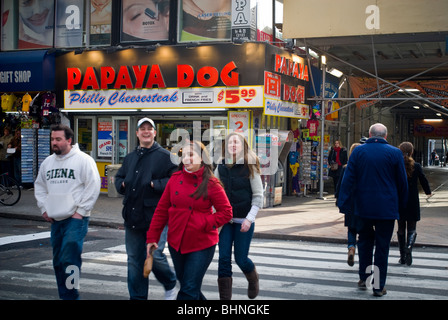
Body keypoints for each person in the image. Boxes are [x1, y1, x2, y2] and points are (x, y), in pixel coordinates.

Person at [146, 140, 233, 300]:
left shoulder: (212, 183)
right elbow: (161, 211)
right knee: (189, 287)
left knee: (188, 291)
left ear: (202, 158)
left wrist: (204, 223)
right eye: (183, 155)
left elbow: (226, 212)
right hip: (176, 243)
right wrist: (152, 238)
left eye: (191, 155)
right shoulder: (174, 179)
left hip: (201, 243)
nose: (186, 159)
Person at [337, 123, 408, 297]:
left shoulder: (359, 152)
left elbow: (348, 180)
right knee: (382, 247)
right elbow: (402, 182)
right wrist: (402, 206)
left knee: (365, 243)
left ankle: (363, 278)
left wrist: (344, 204)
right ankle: (378, 286)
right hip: (387, 209)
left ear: (369, 134)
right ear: (386, 136)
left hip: (363, 208)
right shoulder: (395, 153)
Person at [34, 124, 101, 300]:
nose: (54, 143)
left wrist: (81, 212)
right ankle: (65, 295)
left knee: (69, 259)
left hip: (75, 219)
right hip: (56, 219)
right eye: (52, 139)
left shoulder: (83, 160)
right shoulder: (48, 163)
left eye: (58, 139)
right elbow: (40, 186)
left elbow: (93, 186)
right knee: (58, 262)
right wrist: (44, 209)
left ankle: (72, 296)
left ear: (69, 140)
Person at [114, 117, 178, 300]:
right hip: (132, 218)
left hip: (155, 218)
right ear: (137, 133)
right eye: (142, 129)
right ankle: (138, 297)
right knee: (134, 262)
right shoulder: (130, 157)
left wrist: (154, 184)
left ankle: (170, 282)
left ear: (155, 133)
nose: (146, 131)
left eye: (149, 128)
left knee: (155, 256)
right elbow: (118, 178)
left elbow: (175, 180)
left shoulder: (166, 157)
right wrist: (122, 185)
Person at [214, 132, 263, 300]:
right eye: (230, 142)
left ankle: (253, 278)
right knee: (223, 259)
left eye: (237, 142)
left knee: (241, 259)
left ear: (243, 146)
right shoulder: (220, 165)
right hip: (225, 221)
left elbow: (258, 196)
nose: (233, 145)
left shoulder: (250, 165)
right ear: (226, 146)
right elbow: (213, 191)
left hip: (244, 220)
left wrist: (249, 219)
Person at [397, 142, 432, 266]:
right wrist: (428, 192)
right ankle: (409, 247)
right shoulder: (416, 166)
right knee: (412, 228)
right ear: (412, 152)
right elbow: (423, 180)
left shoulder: (397, 165)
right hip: (412, 201)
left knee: (401, 228)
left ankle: (402, 256)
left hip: (399, 200)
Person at [335, 142, 361, 267]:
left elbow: (340, 186)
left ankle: (351, 247)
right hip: (362, 203)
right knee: (363, 229)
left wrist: (339, 201)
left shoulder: (346, 167)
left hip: (350, 204)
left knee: (351, 228)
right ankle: (363, 253)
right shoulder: (365, 167)